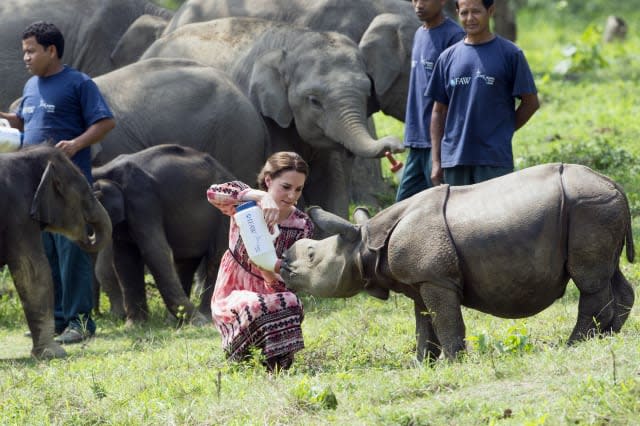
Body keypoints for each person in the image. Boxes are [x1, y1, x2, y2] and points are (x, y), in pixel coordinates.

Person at [0, 21, 115, 343]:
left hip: (66, 188)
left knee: (72, 251)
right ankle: (57, 320)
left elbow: (106, 121)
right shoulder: (30, 88)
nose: (25, 57)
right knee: (44, 253)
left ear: (51, 51)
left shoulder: (78, 83)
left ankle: (80, 321)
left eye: (31, 51)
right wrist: (5, 119)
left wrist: (77, 143)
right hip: (32, 191)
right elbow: (24, 121)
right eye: (24, 51)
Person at [206, 152, 314, 372]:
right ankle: (243, 362)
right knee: (256, 306)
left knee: (291, 302)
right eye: (285, 186)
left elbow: (296, 274)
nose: (292, 195)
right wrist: (260, 197)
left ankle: (277, 367)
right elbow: (213, 193)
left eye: (298, 189)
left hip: (272, 286)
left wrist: (272, 276)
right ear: (268, 180)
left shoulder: (302, 224)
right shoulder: (245, 206)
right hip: (234, 290)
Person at [427, 0, 539, 186]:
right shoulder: (447, 58)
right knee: (457, 215)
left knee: (495, 215)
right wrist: (436, 161)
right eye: (464, 13)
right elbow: (438, 111)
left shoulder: (511, 54)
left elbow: (531, 103)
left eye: (476, 12)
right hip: (455, 159)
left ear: (491, 11)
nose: (470, 18)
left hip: (493, 160)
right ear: (457, 13)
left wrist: (504, 130)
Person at [396, 0, 465, 201]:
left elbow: (455, 96)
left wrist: (441, 151)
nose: (418, 4)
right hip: (416, 141)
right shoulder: (419, 34)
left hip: (439, 143)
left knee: (442, 206)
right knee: (402, 205)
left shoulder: (454, 37)